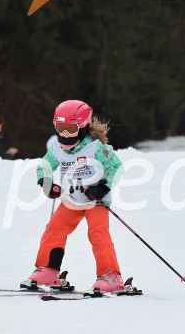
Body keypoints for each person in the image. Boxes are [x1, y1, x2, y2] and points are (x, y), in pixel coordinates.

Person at [23, 99, 126, 293]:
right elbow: (44, 166)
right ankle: (48, 270)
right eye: (60, 128)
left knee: (97, 234)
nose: (65, 134)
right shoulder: (56, 149)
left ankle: (111, 275)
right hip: (70, 201)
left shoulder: (96, 149)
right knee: (54, 230)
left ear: (84, 127)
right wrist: (46, 183)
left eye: (71, 129)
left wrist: (103, 187)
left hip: (95, 202)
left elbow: (116, 167)